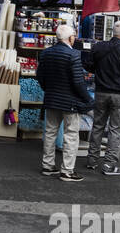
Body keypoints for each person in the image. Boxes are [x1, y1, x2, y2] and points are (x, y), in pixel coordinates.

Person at [82, 20, 120, 176]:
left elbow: (88, 65)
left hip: (101, 92)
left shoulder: (99, 47)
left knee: (97, 126)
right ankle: (109, 164)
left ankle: (92, 160)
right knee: (116, 130)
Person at [37, 23, 92, 182]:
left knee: (50, 132)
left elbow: (40, 76)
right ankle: (67, 171)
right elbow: (78, 82)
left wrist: (49, 89)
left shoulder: (46, 53)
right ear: (70, 38)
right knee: (70, 135)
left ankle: (48, 166)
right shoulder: (73, 55)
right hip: (70, 102)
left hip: (52, 99)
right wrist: (88, 99)